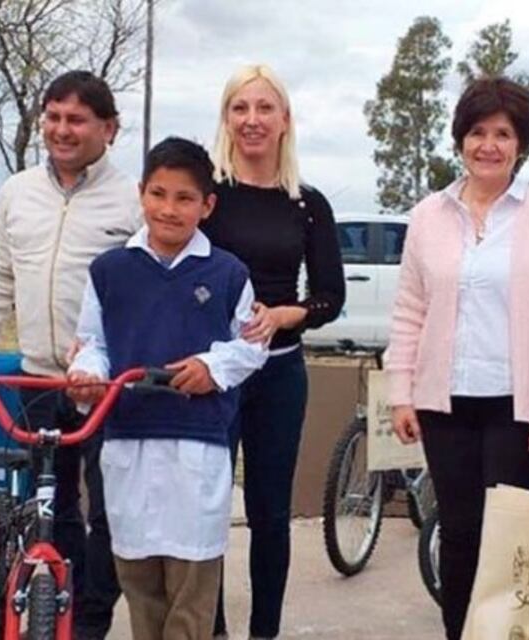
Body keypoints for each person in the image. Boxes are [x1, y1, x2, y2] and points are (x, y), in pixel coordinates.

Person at [385, 76, 529, 640]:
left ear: (521, 144)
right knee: (461, 535)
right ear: (460, 139)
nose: (488, 145)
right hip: (445, 405)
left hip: (516, 409)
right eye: (477, 132)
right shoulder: (428, 215)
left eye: (502, 133)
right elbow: (409, 310)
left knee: (510, 540)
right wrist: (401, 391)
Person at [66, 137, 268, 640]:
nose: (169, 209)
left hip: (196, 444)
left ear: (207, 205)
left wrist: (209, 365)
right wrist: (87, 375)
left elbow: (251, 347)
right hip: (127, 440)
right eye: (158, 194)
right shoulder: (110, 271)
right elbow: (93, 342)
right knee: (140, 586)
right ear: (141, 194)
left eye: (184, 198)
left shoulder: (227, 274)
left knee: (191, 591)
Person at [0, 70, 139, 639]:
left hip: (105, 388)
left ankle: (91, 619)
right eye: (53, 116)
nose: (62, 130)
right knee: (54, 510)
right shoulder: (16, 192)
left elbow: (143, 294)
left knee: (109, 515)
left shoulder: (133, 200)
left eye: (77, 119)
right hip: (39, 380)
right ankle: (55, 611)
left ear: (108, 129)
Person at [200, 64, 345, 640]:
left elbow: (329, 296)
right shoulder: (207, 196)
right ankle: (208, 629)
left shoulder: (307, 204)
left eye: (265, 109)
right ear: (226, 118)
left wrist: (288, 315)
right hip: (210, 375)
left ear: (285, 121)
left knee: (269, 515)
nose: (252, 120)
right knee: (205, 511)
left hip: (280, 373)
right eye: (240, 108)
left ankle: (265, 632)